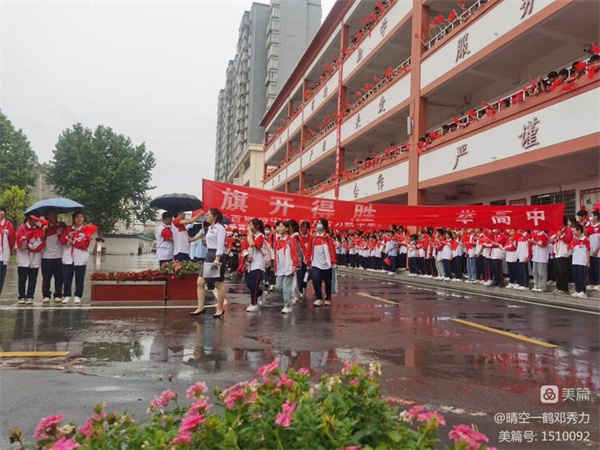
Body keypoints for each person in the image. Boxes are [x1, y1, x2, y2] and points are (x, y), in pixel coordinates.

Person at [191, 208, 226, 318]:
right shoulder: (209, 228)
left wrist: (217, 258)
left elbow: (220, 244)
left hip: (216, 255)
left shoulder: (220, 228)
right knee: (200, 282)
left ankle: (220, 309)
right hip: (209, 254)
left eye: (208, 214)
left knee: (218, 283)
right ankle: (200, 307)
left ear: (215, 216)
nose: (206, 216)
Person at [60, 212, 96, 305]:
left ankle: (78, 296)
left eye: (81, 217)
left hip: (80, 258)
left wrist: (74, 243)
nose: (79, 219)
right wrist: (68, 237)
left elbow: (85, 244)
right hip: (68, 258)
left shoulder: (86, 231)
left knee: (79, 278)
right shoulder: (67, 229)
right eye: (77, 217)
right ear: (73, 219)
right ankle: (67, 295)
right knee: (67, 277)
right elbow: (62, 241)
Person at [307, 218, 337, 307]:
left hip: (326, 264)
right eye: (317, 223)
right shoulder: (313, 237)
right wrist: (308, 259)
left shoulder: (327, 237)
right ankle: (319, 298)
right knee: (315, 279)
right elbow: (309, 249)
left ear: (324, 226)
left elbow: (332, 250)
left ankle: (328, 298)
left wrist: (333, 261)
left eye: (320, 223)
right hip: (316, 263)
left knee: (327, 282)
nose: (318, 225)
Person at [41, 210, 67, 304]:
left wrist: (61, 234)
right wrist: (43, 231)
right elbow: (40, 238)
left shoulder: (62, 225)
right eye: (50, 214)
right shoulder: (44, 225)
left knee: (59, 277)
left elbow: (66, 237)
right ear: (47, 216)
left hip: (59, 255)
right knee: (46, 277)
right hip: (46, 256)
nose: (52, 215)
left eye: (53, 213)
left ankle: (58, 294)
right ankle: (46, 295)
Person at [16, 215, 44, 305]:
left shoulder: (39, 228)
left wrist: (36, 246)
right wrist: (24, 241)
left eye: (37, 219)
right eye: (34, 219)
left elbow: (42, 241)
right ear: (29, 219)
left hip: (35, 256)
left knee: (33, 278)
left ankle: (30, 296)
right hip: (24, 257)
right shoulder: (22, 228)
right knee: (22, 278)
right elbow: (20, 244)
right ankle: (22, 296)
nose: (36, 221)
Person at [274, 220, 299, 314]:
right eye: (278, 227)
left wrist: (295, 265)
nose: (279, 228)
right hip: (280, 268)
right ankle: (289, 297)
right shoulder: (278, 241)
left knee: (286, 287)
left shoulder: (290, 240)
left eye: (281, 227)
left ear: (287, 229)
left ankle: (287, 306)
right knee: (279, 287)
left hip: (288, 267)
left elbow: (294, 253)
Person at [243, 219, 267, 312]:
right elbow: (244, 247)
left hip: (258, 264)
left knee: (253, 284)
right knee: (249, 284)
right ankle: (261, 293)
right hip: (249, 264)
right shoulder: (249, 236)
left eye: (251, 225)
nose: (249, 227)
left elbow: (253, 244)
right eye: (249, 225)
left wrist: (249, 233)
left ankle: (254, 304)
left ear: (257, 227)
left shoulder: (260, 236)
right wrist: (247, 255)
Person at [553, 217, 573, 294]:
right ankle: (558, 287)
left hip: (564, 253)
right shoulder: (558, 231)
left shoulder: (568, 230)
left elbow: (568, 240)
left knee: (563, 272)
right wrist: (557, 237)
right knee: (557, 272)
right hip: (557, 253)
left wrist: (561, 236)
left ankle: (564, 288)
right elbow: (555, 240)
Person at [568, 224, 590, 298]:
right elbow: (570, 251)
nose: (573, 232)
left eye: (574, 230)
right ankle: (577, 290)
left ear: (579, 231)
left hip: (582, 262)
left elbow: (588, 251)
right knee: (576, 276)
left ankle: (582, 291)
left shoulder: (585, 240)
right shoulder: (574, 240)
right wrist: (570, 248)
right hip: (575, 261)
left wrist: (588, 261)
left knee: (581, 277)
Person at [0, 207, 16, 296]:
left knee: (0, 278)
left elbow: (12, 239)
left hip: (2, 256)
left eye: (2, 211)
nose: (0, 213)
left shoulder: (8, 225)